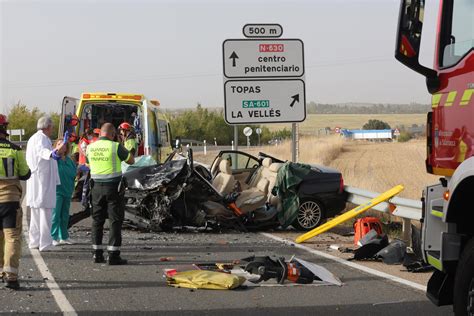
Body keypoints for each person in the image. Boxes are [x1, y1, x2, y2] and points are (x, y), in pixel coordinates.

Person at [86, 123, 134, 265]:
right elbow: (131, 160)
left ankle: (97, 254)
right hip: (113, 187)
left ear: (100, 133)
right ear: (113, 134)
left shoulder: (90, 147)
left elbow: (89, 164)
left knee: (97, 220)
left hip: (95, 188)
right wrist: (120, 145)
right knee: (115, 220)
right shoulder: (115, 146)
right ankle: (113, 255)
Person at [0, 114, 31, 289]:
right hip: (9, 200)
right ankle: (11, 276)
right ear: (5, 128)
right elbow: (26, 174)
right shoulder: (15, 149)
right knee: (11, 237)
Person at [26, 116, 64, 252]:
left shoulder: (34, 138)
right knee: (45, 212)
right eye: (52, 127)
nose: (52, 129)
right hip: (42, 181)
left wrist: (54, 152)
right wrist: (56, 151)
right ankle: (45, 244)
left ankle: (34, 242)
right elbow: (43, 152)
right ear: (47, 127)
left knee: (36, 213)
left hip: (37, 180)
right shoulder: (41, 138)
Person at [51, 139, 77, 246]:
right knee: (55, 215)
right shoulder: (54, 159)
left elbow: (74, 173)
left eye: (64, 145)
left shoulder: (69, 160)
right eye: (59, 144)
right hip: (57, 191)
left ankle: (64, 237)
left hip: (67, 190)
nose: (62, 146)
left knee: (65, 215)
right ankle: (53, 237)